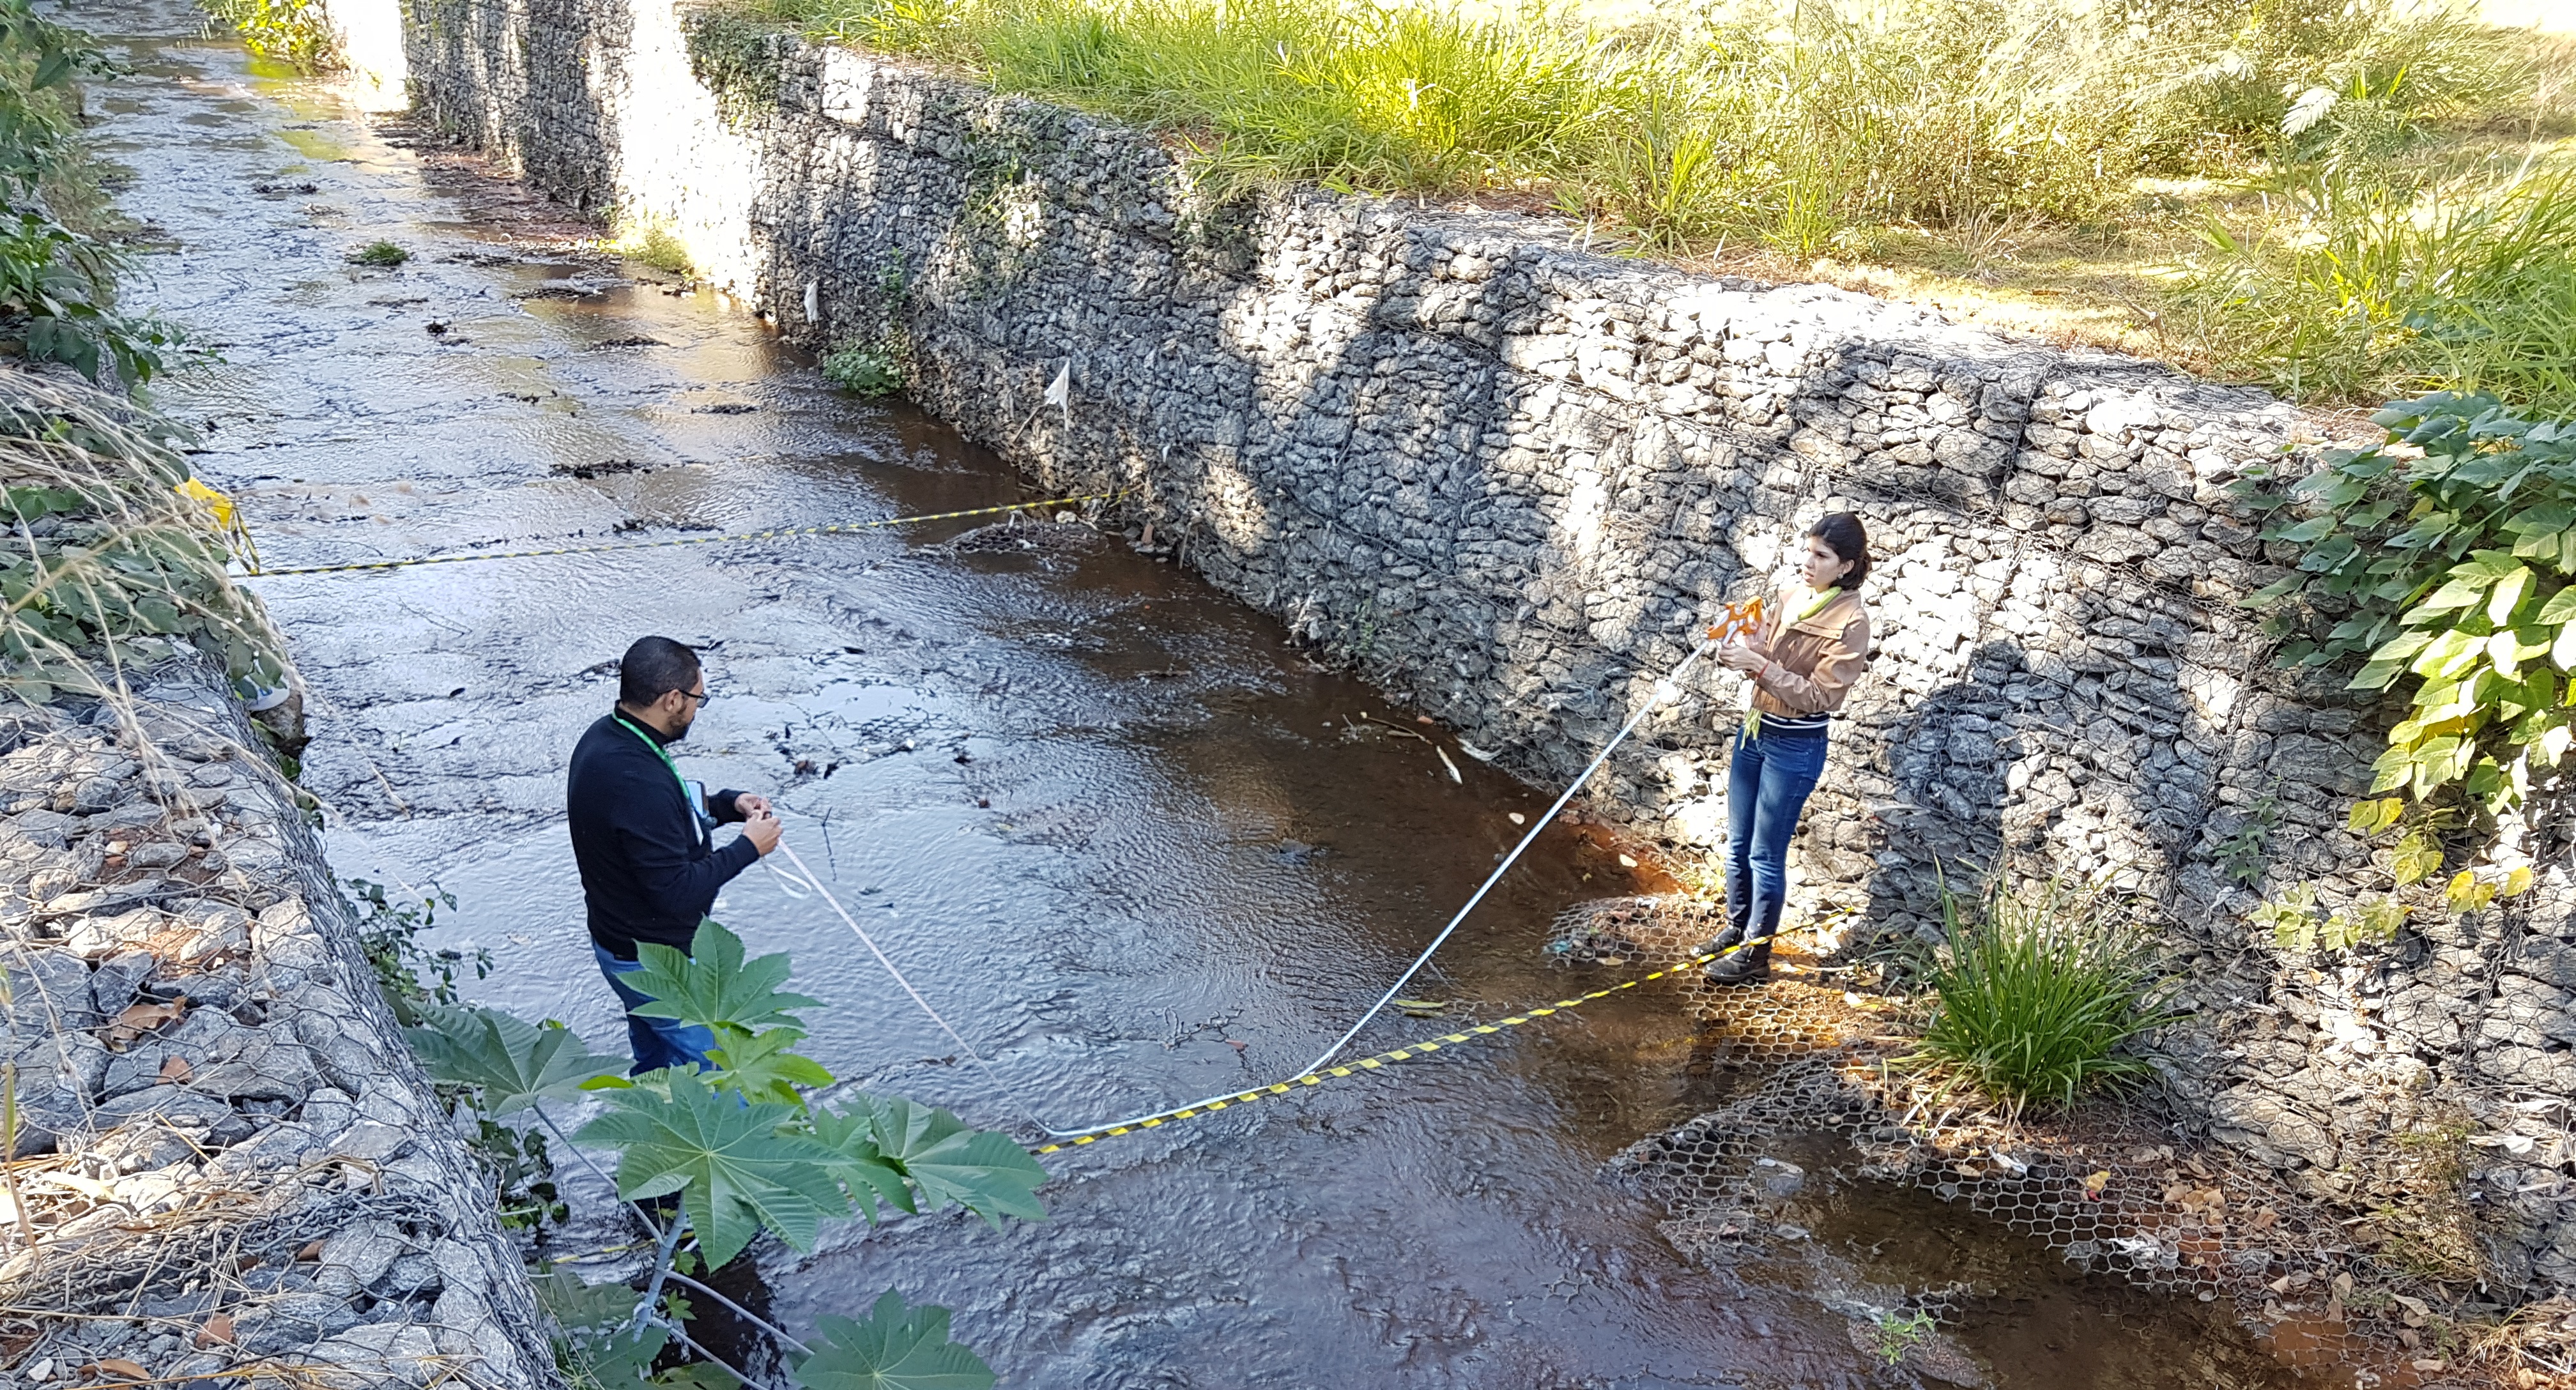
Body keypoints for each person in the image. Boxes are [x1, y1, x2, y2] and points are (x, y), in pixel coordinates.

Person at [568, 636, 782, 1073]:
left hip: (620, 941)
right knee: (722, 1077)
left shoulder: (611, 738)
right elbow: (675, 892)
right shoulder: (636, 779)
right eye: (697, 700)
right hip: (652, 963)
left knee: (659, 1069)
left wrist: (727, 804)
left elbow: (663, 816)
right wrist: (748, 848)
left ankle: (648, 1130)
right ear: (671, 700)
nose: (696, 710)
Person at [1699, 514, 1873, 984]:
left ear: (1846, 567)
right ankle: (1737, 929)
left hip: (1795, 747)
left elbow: (1821, 697)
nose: (1807, 562)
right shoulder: (1791, 594)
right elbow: (1767, 653)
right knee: (1737, 845)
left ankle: (1756, 957)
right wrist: (1740, 645)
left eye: (1821, 556)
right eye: (1807, 550)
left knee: (1764, 853)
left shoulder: (1852, 622)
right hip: (1754, 732)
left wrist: (1758, 665)